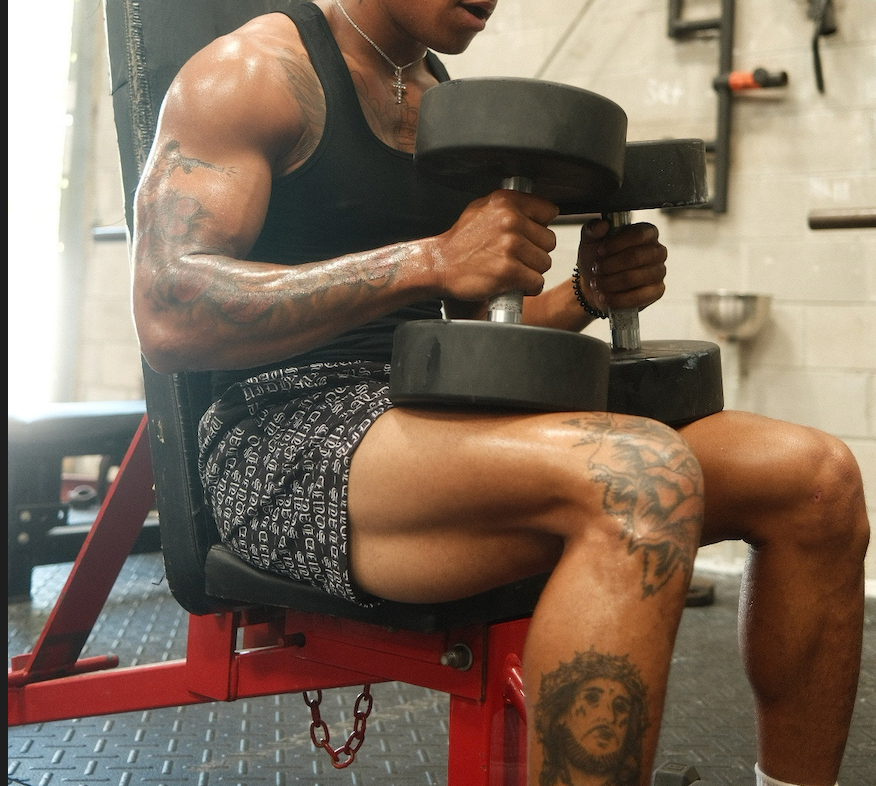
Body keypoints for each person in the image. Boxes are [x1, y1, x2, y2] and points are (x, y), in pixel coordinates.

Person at [130, 1, 869, 784]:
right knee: (636, 479)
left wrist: (585, 292)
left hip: (427, 409)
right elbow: (168, 313)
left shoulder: (433, 94)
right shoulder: (252, 75)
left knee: (814, 479)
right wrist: (430, 259)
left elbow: (473, 328)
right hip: (280, 437)